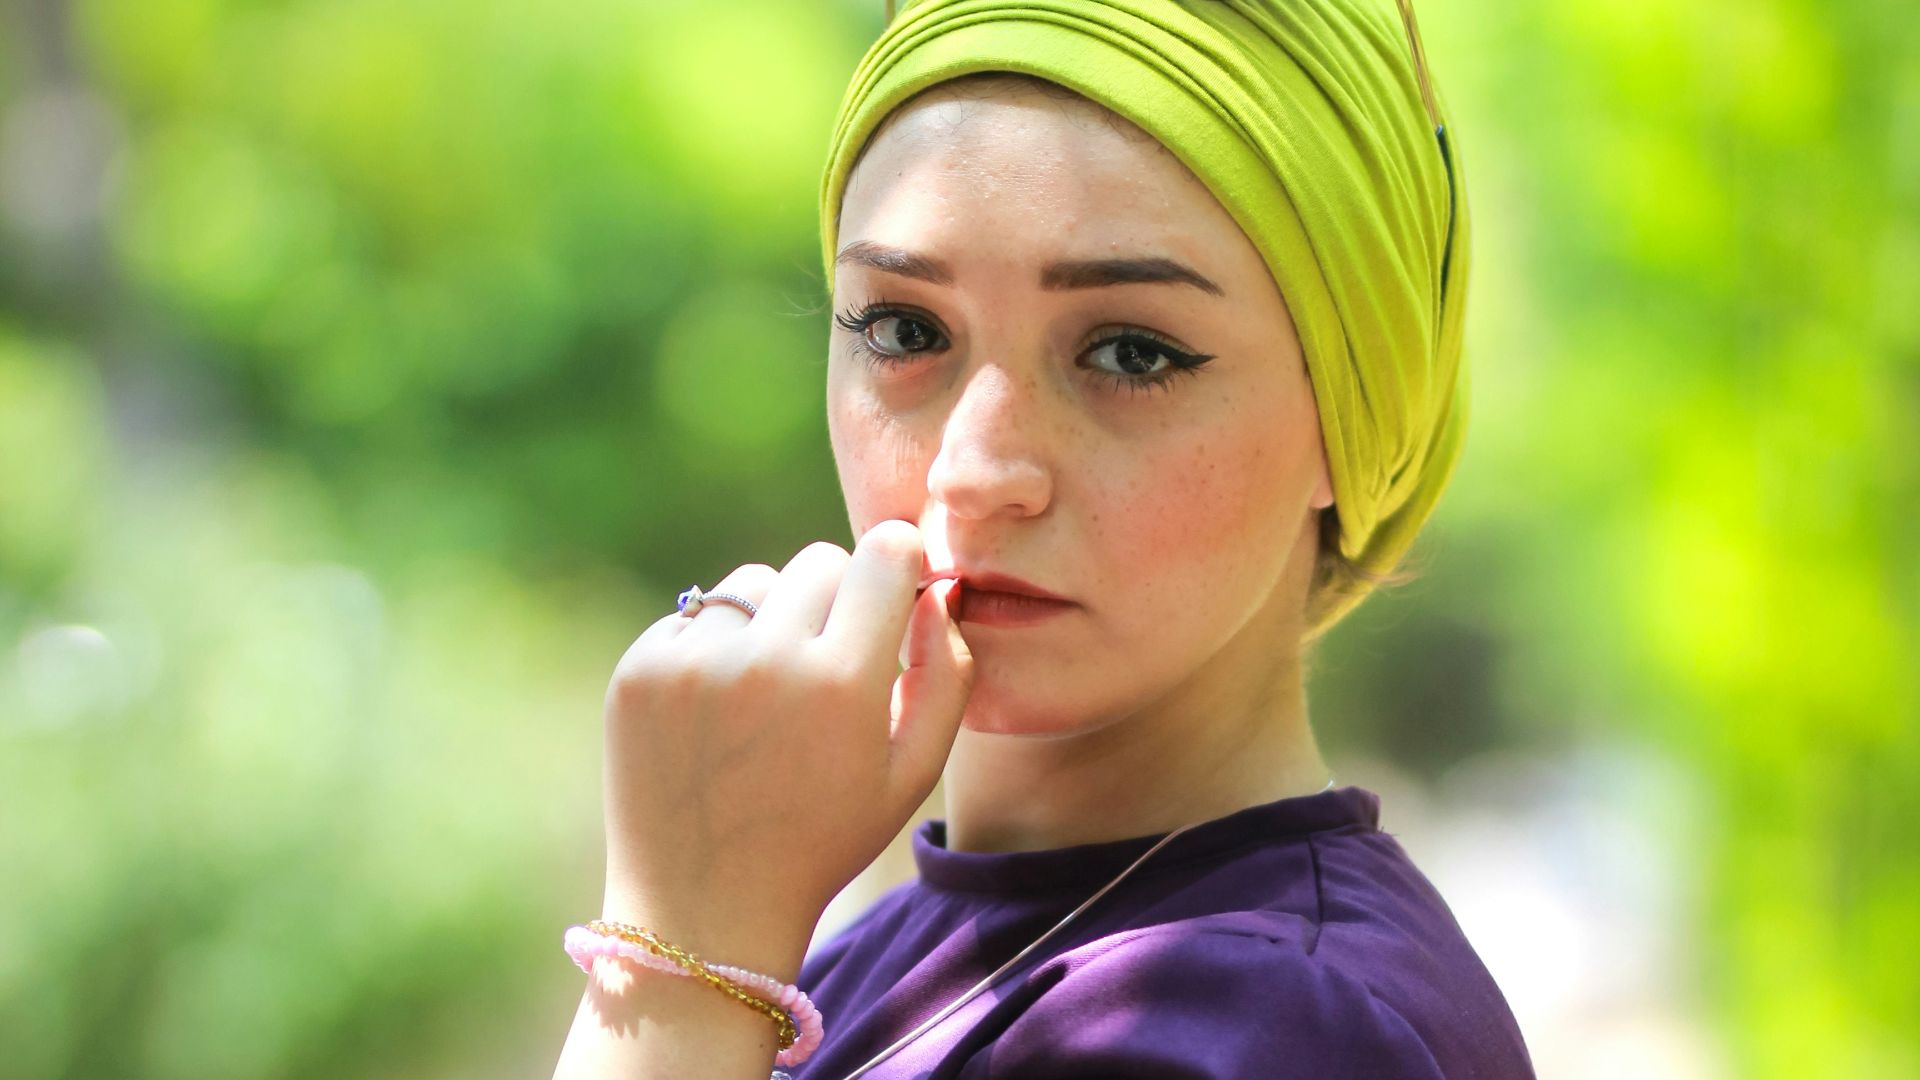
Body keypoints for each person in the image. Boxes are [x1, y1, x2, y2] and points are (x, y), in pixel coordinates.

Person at [554, 1, 1533, 1077]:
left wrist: (677, 966)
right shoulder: (866, 952)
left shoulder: (1265, 1024)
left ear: (1351, 421)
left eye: (1129, 352)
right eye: (904, 330)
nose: (974, 472)